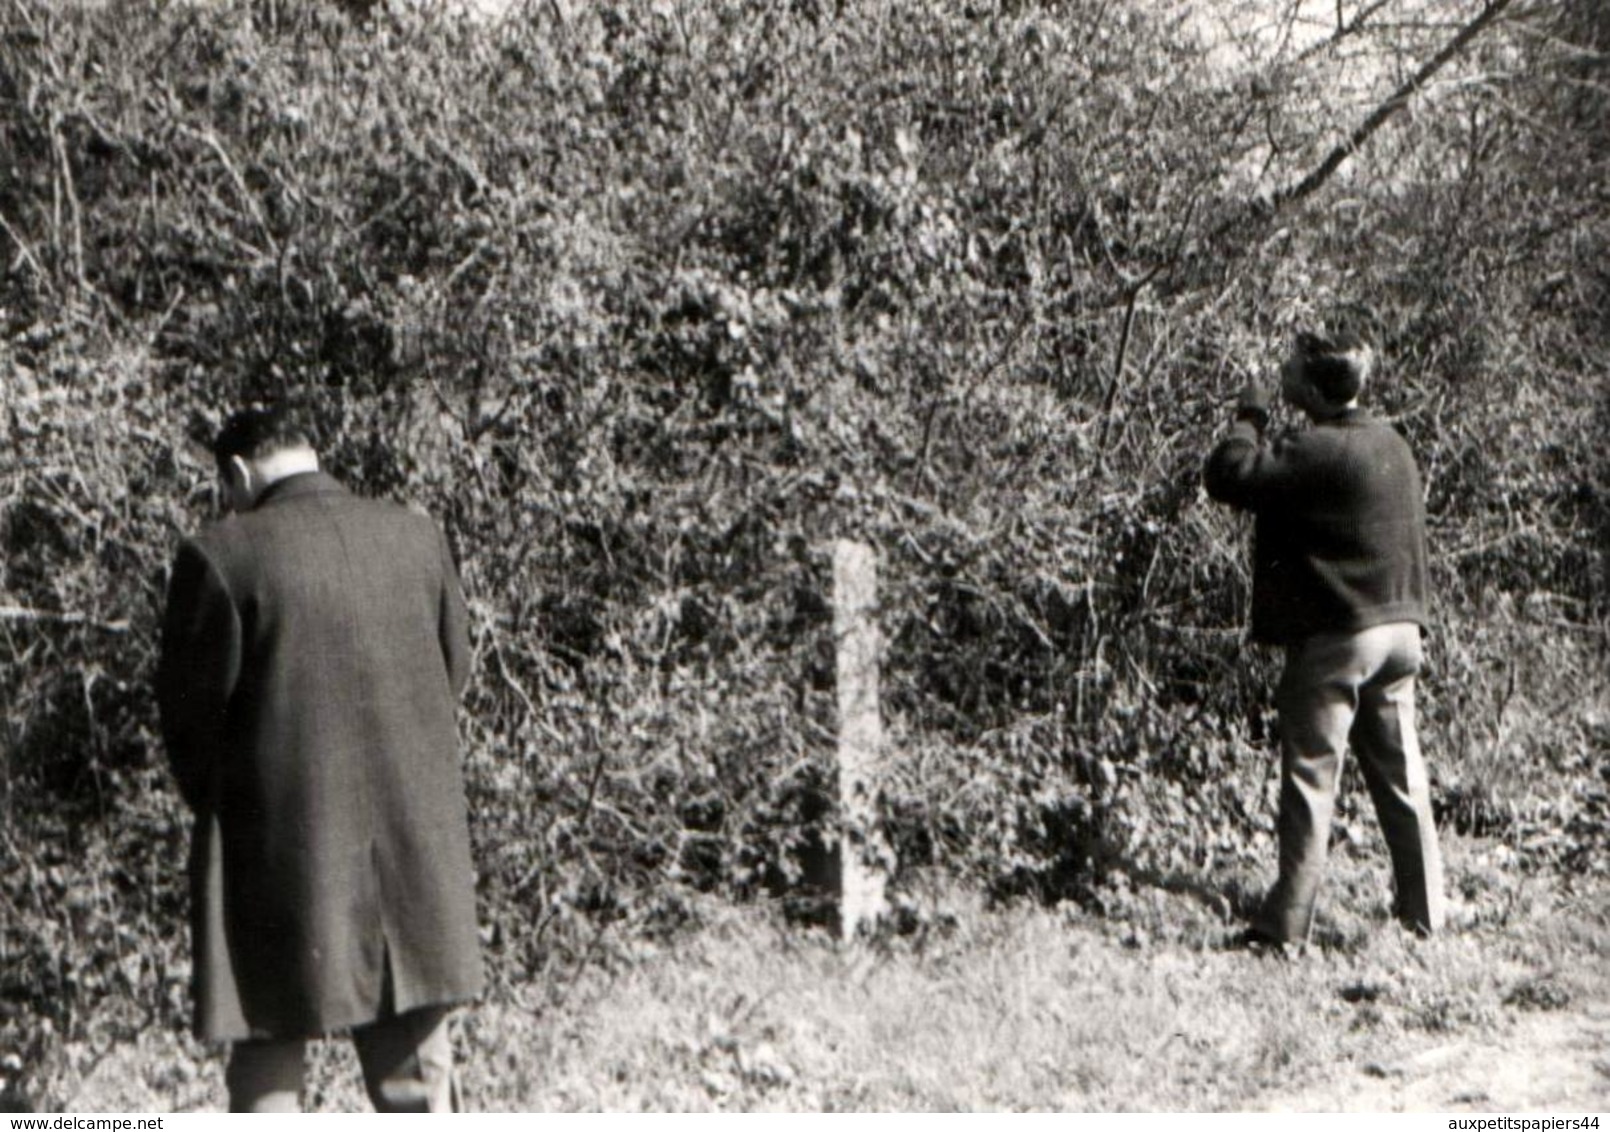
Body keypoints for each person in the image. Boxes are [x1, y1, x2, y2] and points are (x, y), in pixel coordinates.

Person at [157, 408, 483, 1111]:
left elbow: (190, 728)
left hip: (275, 854)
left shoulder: (221, 554)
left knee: (268, 1071)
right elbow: (450, 675)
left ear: (237, 474)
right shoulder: (415, 535)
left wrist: (253, 800)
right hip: (409, 848)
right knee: (418, 1084)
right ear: (309, 454)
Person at [1204, 330, 1445, 950]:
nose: (1281, 374)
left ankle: (1285, 930)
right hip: (1401, 631)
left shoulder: (1316, 450)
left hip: (1341, 638)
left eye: (1289, 371)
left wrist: (1249, 416)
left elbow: (1228, 475)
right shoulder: (1393, 442)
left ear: (1313, 388)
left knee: (1311, 780)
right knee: (1402, 779)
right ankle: (1428, 917)